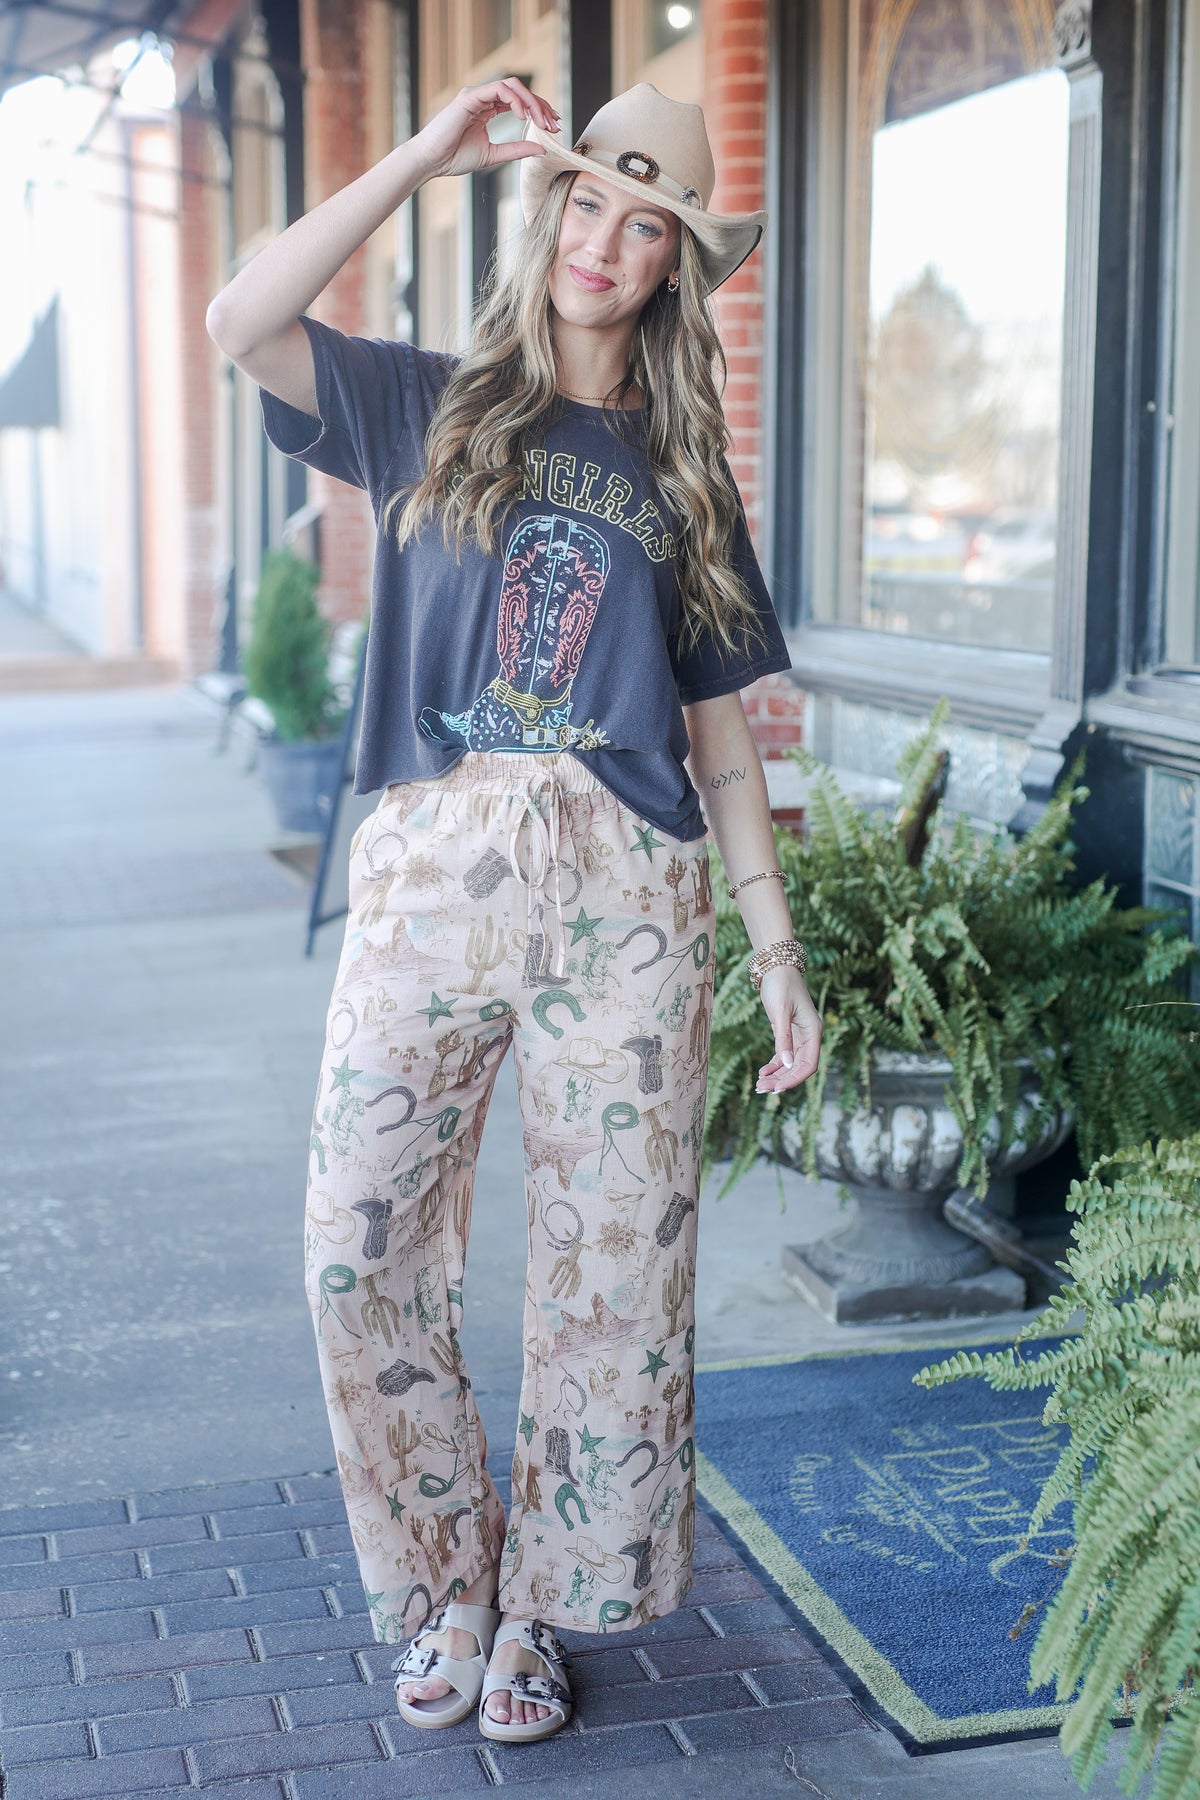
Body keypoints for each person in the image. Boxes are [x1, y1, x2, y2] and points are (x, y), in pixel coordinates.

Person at [206, 76, 822, 1745]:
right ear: (542, 210)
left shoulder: (684, 474)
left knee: (611, 1268)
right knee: (355, 1247)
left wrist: (776, 954)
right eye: (587, 201)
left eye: (648, 224)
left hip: (630, 893)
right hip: (434, 864)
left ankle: (542, 1608)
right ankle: (437, 1582)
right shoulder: (427, 405)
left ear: (677, 266)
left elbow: (722, 741)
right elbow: (239, 314)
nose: (608, 242)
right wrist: (425, 156)